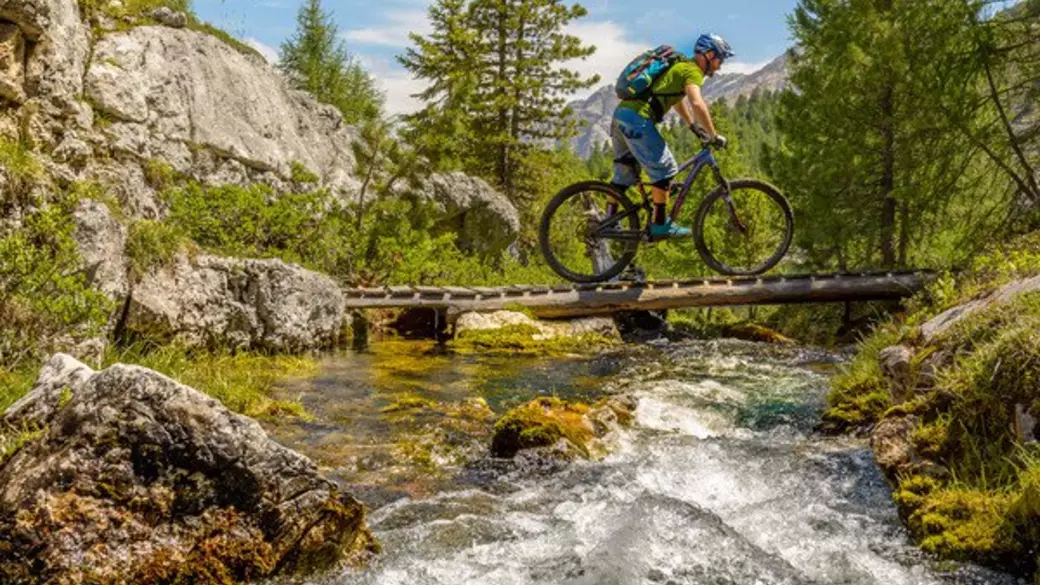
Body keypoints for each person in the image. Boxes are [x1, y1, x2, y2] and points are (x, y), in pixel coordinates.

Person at [610, 33, 734, 239]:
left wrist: (692, 125)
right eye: (720, 59)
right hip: (638, 118)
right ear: (709, 54)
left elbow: (677, 100)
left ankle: (608, 221)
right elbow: (697, 103)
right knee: (665, 168)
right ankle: (660, 224)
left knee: (624, 172)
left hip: (621, 116)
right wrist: (713, 135)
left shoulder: (679, 67)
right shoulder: (692, 70)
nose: (719, 66)